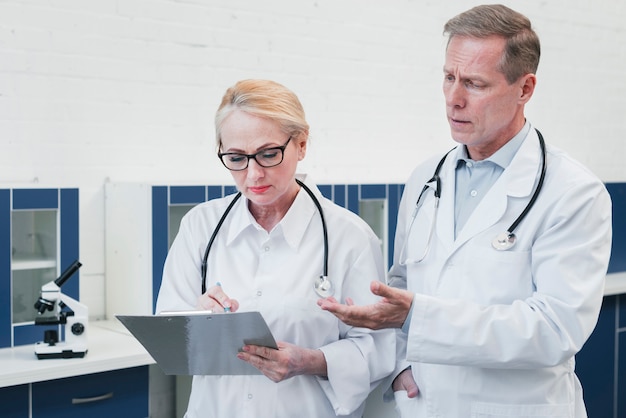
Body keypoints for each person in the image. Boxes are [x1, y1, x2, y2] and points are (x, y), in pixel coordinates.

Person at [318, 4, 612, 417]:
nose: (454, 99)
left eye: (474, 83)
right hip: (422, 405)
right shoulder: (425, 179)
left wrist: (420, 317)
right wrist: (400, 363)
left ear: (525, 88)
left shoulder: (573, 192)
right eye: (449, 77)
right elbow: (403, 282)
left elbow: (554, 330)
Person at [155, 79, 395, 417]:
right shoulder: (200, 226)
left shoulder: (348, 237)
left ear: (301, 144)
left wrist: (313, 361)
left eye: (269, 154)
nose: (253, 174)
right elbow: (167, 334)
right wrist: (196, 317)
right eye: (236, 158)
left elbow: (380, 349)